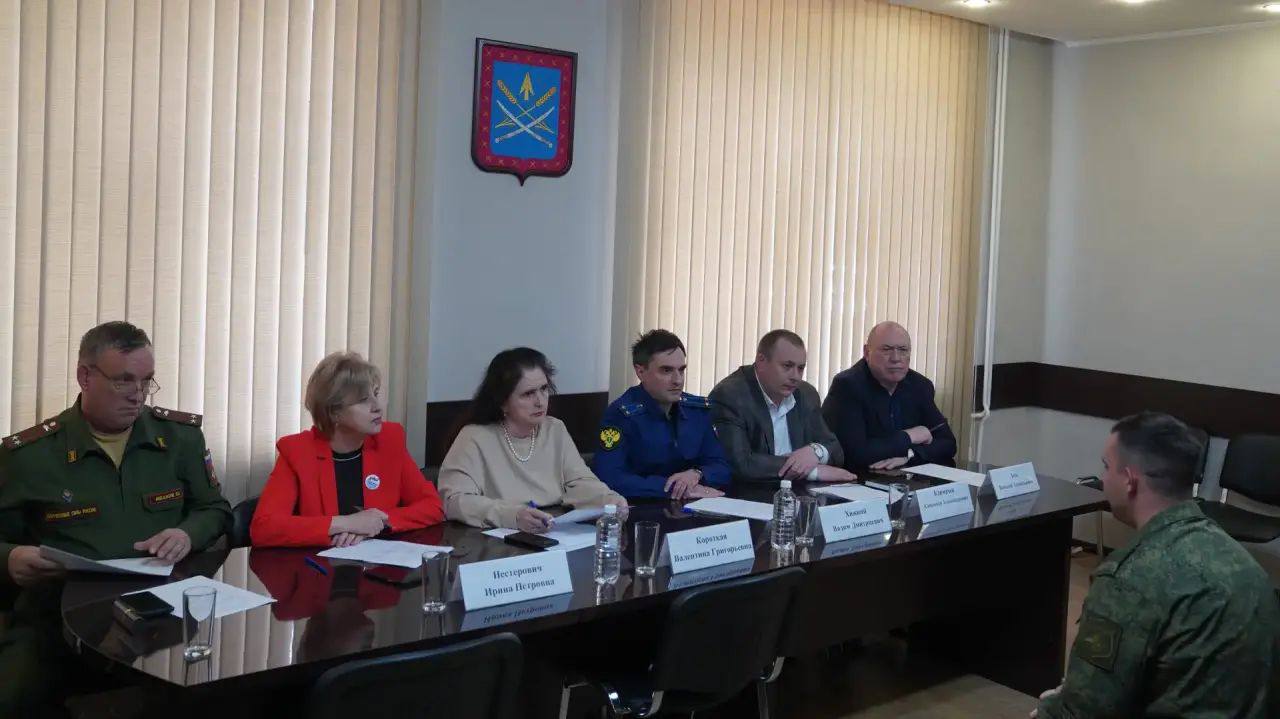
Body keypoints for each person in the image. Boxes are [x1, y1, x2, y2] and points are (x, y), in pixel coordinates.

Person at [0, 321, 232, 716]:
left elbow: (215, 509)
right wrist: (10, 558)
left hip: (162, 605)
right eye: (123, 380)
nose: (138, 394)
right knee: (13, 698)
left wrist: (187, 534)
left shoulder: (179, 438)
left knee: (222, 692)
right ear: (85, 377)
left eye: (146, 380)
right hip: (57, 612)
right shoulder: (29, 456)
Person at [1032, 411, 1279, 719]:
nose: (1103, 478)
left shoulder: (1128, 580)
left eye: (1107, 467)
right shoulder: (1243, 564)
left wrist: (1052, 707)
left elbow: (1083, 711)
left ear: (1129, 480)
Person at [251, 352, 444, 548]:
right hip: (319, 564)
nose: (377, 407)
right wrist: (346, 523)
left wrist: (377, 522)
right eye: (363, 400)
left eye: (376, 394)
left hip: (379, 562)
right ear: (334, 412)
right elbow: (264, 527)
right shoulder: (298, 452)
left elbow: (433, 506)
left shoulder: (389, 440)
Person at [438, 348, 627, 531]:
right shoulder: (474, 436)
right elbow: (454, 500)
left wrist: (608, 500)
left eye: (544, 389)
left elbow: (579, 482)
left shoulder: (555, 429)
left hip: (554, 529)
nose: (540, 401)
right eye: (528, 394)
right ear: (503, 402)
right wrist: (512, 516)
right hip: (496, 535)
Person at [594, 330, 730, 499]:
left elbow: (722, 467)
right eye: (666, 370)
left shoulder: (697, 411)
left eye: (681, 370)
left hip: (696, 503)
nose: (678, 380)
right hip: (644, 507)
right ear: (640, 372)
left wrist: (697, 474)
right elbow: (610, 478)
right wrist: (675, 488)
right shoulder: (621, 416)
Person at [709, 330, 853, 484]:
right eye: (787, 366)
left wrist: (815, 452)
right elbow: (740, 463)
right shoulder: (730, 395)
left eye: (800, 368)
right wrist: (811, 471)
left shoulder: (805, 394)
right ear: (761, 361)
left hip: (798, 491)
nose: (795, 377)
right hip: (750, 492)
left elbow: (835, 450)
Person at [822, 321, 957, 470]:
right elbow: (854, 454)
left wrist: (911, 455)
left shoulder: (920, 386)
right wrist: (910, 436)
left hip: (904, 476)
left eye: (903, 350)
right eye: (886, 349)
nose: (896, 358)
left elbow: (948, 443)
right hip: (857, 477)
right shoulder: (848, 386)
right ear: (867, 352)